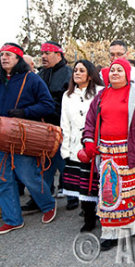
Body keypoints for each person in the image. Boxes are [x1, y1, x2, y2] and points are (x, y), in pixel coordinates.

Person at [82, 58, 135, 251]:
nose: (116, 73)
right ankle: (112, 233)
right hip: (107, 153)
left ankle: (133, 223)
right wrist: (88, 141)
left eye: (120, 70)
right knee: (110, 193)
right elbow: (90, 121)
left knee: (132, 192)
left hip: (132, 150)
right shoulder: (101, 95)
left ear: (127, 74)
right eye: (112, 70)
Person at [0, 43, 57, 234]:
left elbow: (48, 105)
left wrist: (25, 112)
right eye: (1, 55)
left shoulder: (31, 79)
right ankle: (12, 219)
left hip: (22, 135)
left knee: (27, 175)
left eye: (8, 55)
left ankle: (48, 204)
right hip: (1, 137)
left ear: (18, 59)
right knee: (3, 179)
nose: (4, 58)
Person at [22, 41, 77, 212]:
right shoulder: (40, 74)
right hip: (42, 127)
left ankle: (73, 195)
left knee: (64, 163)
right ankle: (39, 197)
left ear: (59, 55)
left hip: (61, 126)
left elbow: (69, 101)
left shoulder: (69, 73)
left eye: (48, 52)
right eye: (42, 53)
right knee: (43, 165)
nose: (43, 56)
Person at [60, 60, 104, 232]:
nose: (77, 73)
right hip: (75, 146)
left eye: (81, 70)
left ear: (90, 74)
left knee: (98, 183)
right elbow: (65, 123)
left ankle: (104, 213)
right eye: (75, 70)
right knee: (83, 186)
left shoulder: (100, 92)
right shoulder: (67, 95)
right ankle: (89, 218)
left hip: (96, 144)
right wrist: (65, 149)